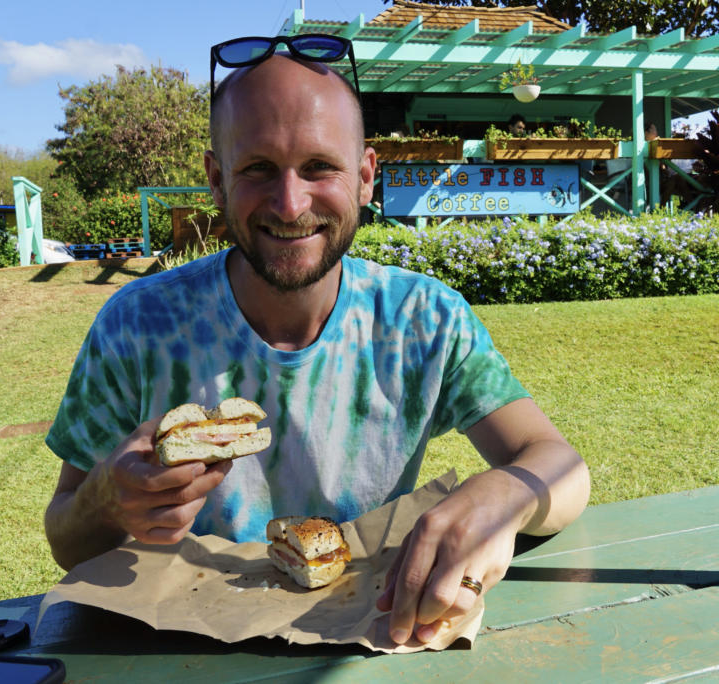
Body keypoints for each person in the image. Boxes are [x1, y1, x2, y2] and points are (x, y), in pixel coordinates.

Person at [43, 38, 591, 648]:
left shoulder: (422, 319)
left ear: (364, 177)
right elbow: (66, 540)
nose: (290, 203)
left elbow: (562, 471)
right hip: (178, 645)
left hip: (368, 628)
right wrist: (104, 502)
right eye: (257, 169)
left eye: (320, 167)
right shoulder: (137, 325)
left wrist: (503, 493)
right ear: (216, 180)